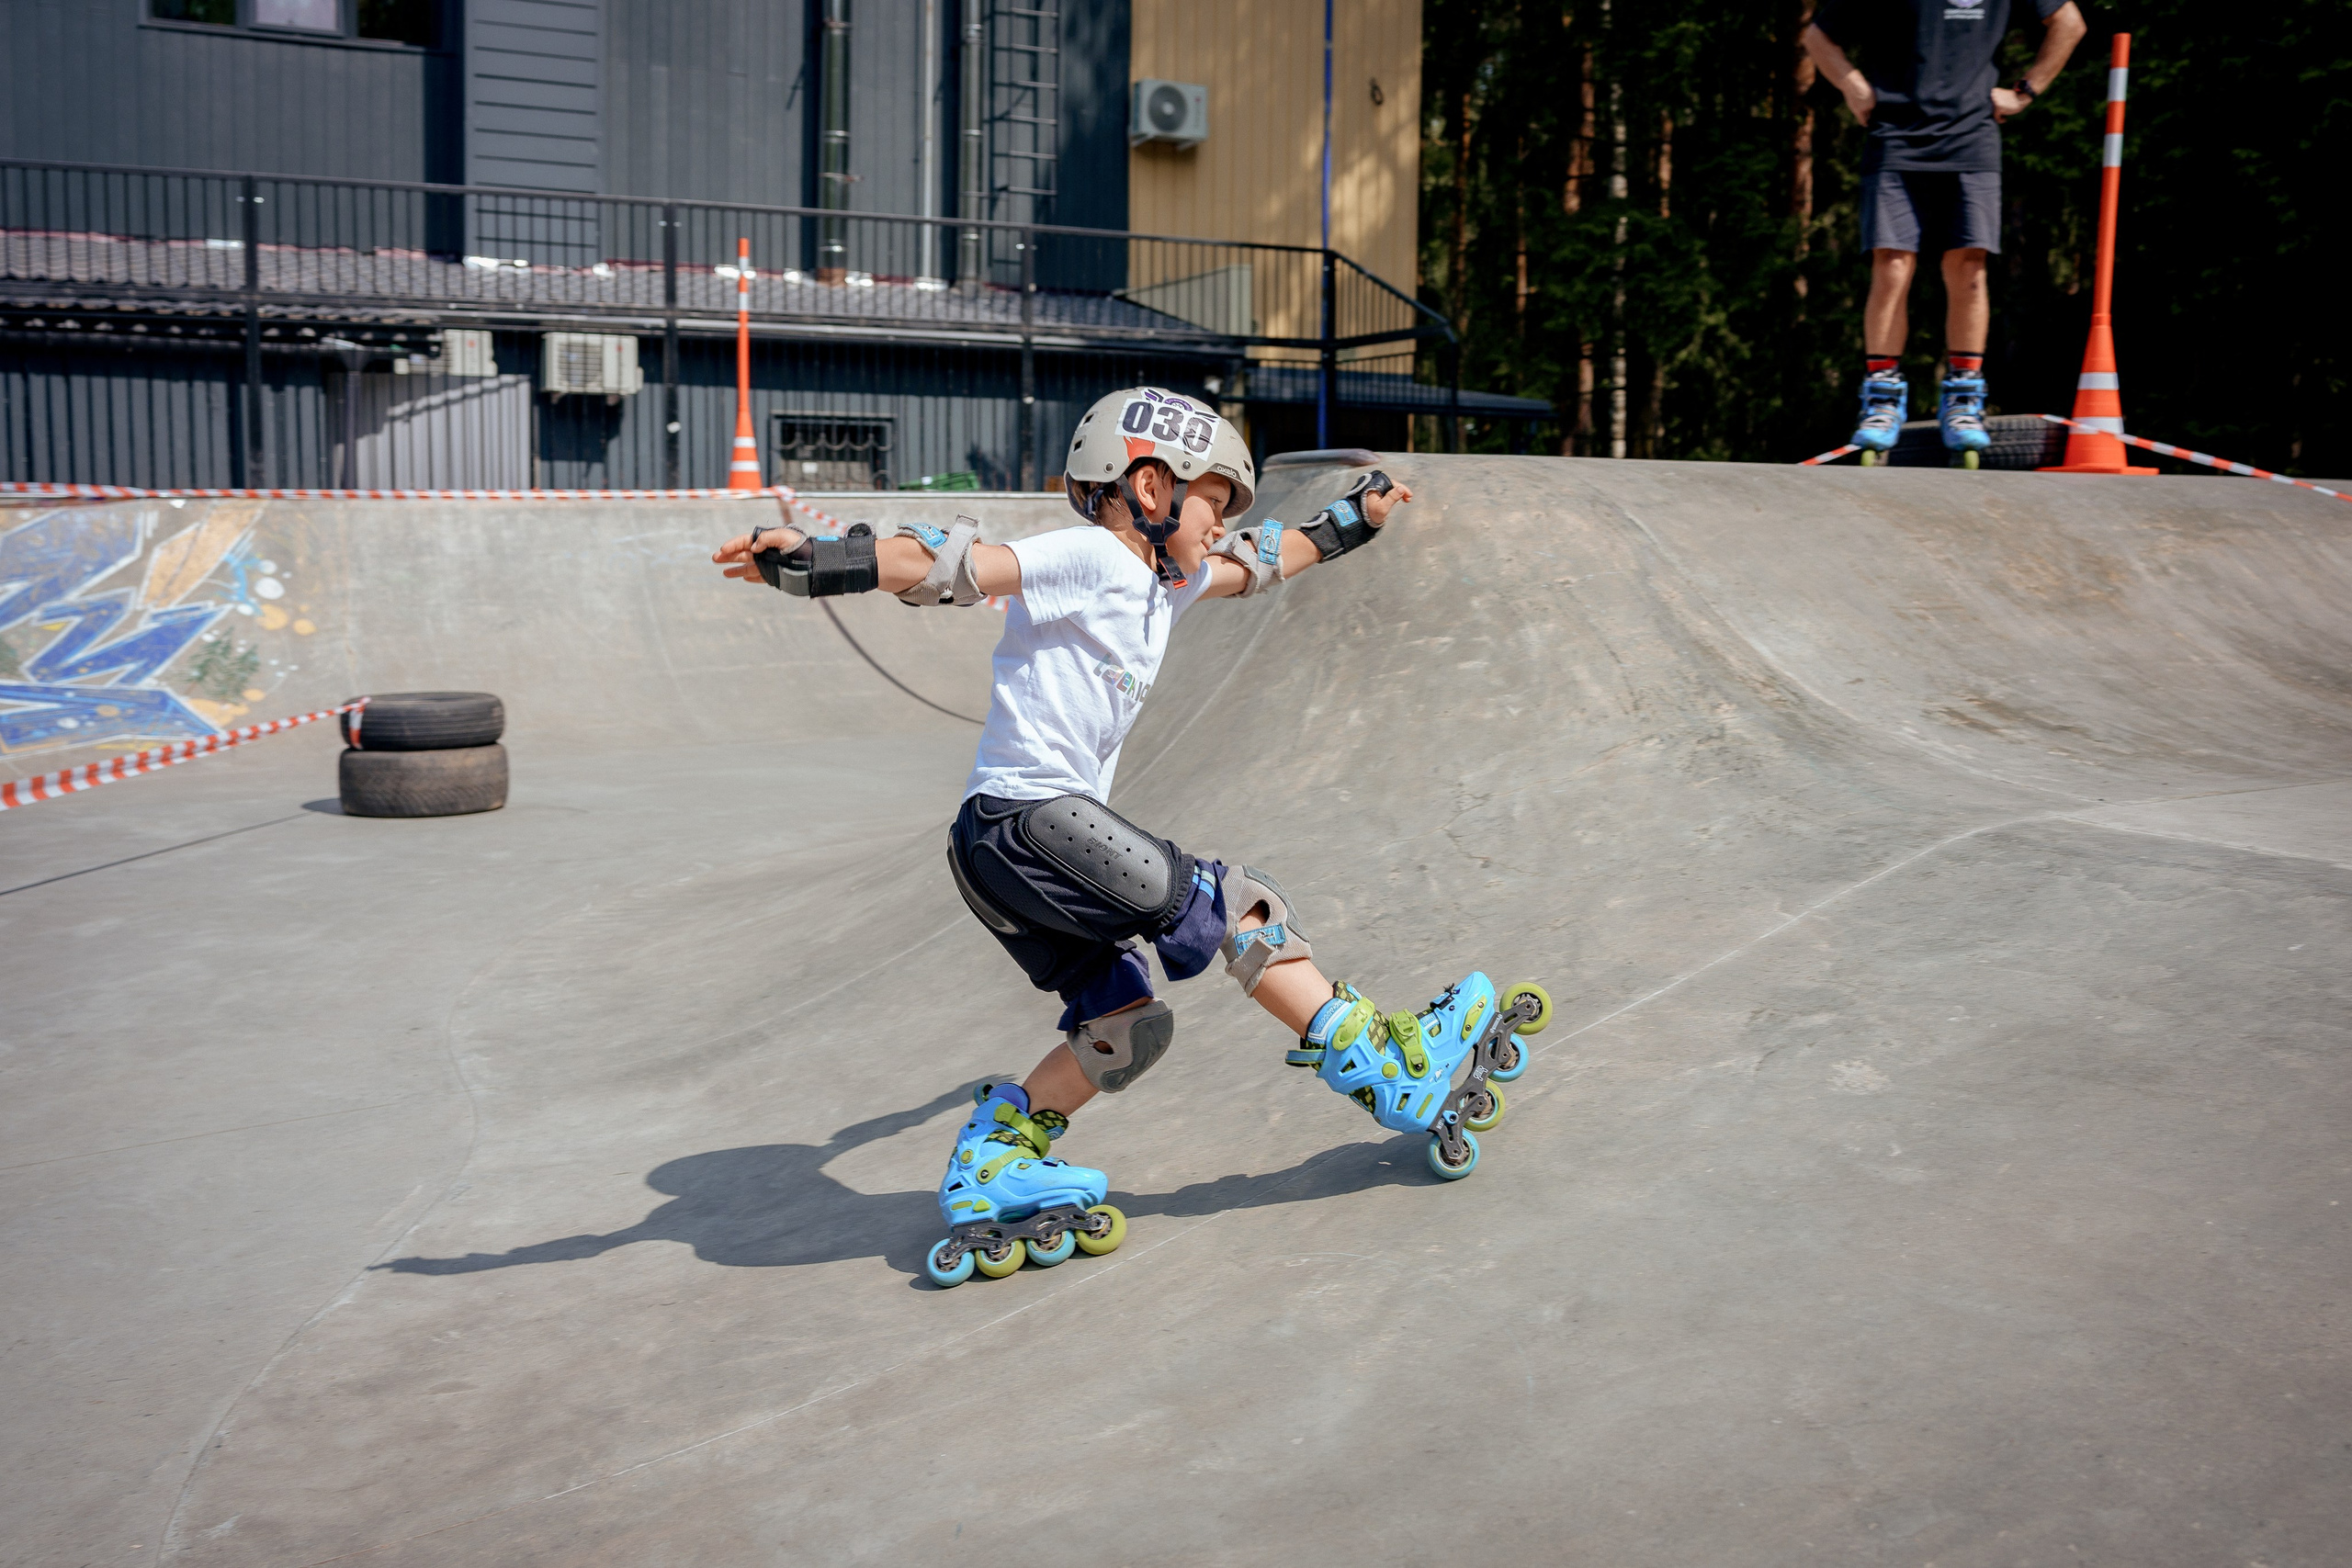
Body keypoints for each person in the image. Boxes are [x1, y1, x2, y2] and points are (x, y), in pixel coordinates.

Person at [709, 387, 1548, 1289]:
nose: (1224, 524)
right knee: (1235, 904)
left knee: (1124, 1024)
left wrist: (1354, 520)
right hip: (1027, 821)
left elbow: (1261, 563)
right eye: (1214, 501)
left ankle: (997, 1157)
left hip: (996, 854)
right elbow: (953, 564)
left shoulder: (1167, 583)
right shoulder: (1092, 555)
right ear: (1150, 488)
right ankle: (1388, 1065)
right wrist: (818, 560)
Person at [1804, 0, 2086, 464]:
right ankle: (1881, 398)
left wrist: (2024, 91)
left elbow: (2069, 22)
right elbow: (1817, 35)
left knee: (1969, 266)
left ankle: (1964, 398)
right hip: (1895, 135)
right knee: (1892, 264)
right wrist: (1852, 85)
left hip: (1971, 136)